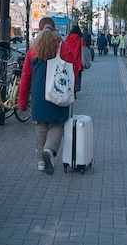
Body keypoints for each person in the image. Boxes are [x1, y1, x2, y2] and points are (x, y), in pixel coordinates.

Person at [18, 17, 72, 175]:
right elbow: (72, 68)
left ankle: (41, 162)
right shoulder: (62, 46)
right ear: (54, 28)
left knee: (40, 127)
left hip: (39, 96)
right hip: (58, 92)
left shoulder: (33, 49)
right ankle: (49, 150)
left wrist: (22, 102)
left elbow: (25, 77)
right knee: (57, 126)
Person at [61, 25, 84, 95]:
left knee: (69, 76)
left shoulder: (67, 38)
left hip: (68, 60)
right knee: (78, 76)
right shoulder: (80, 39)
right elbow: (84, 48)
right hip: (78, 61)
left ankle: (69, 88)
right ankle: (76, 89)